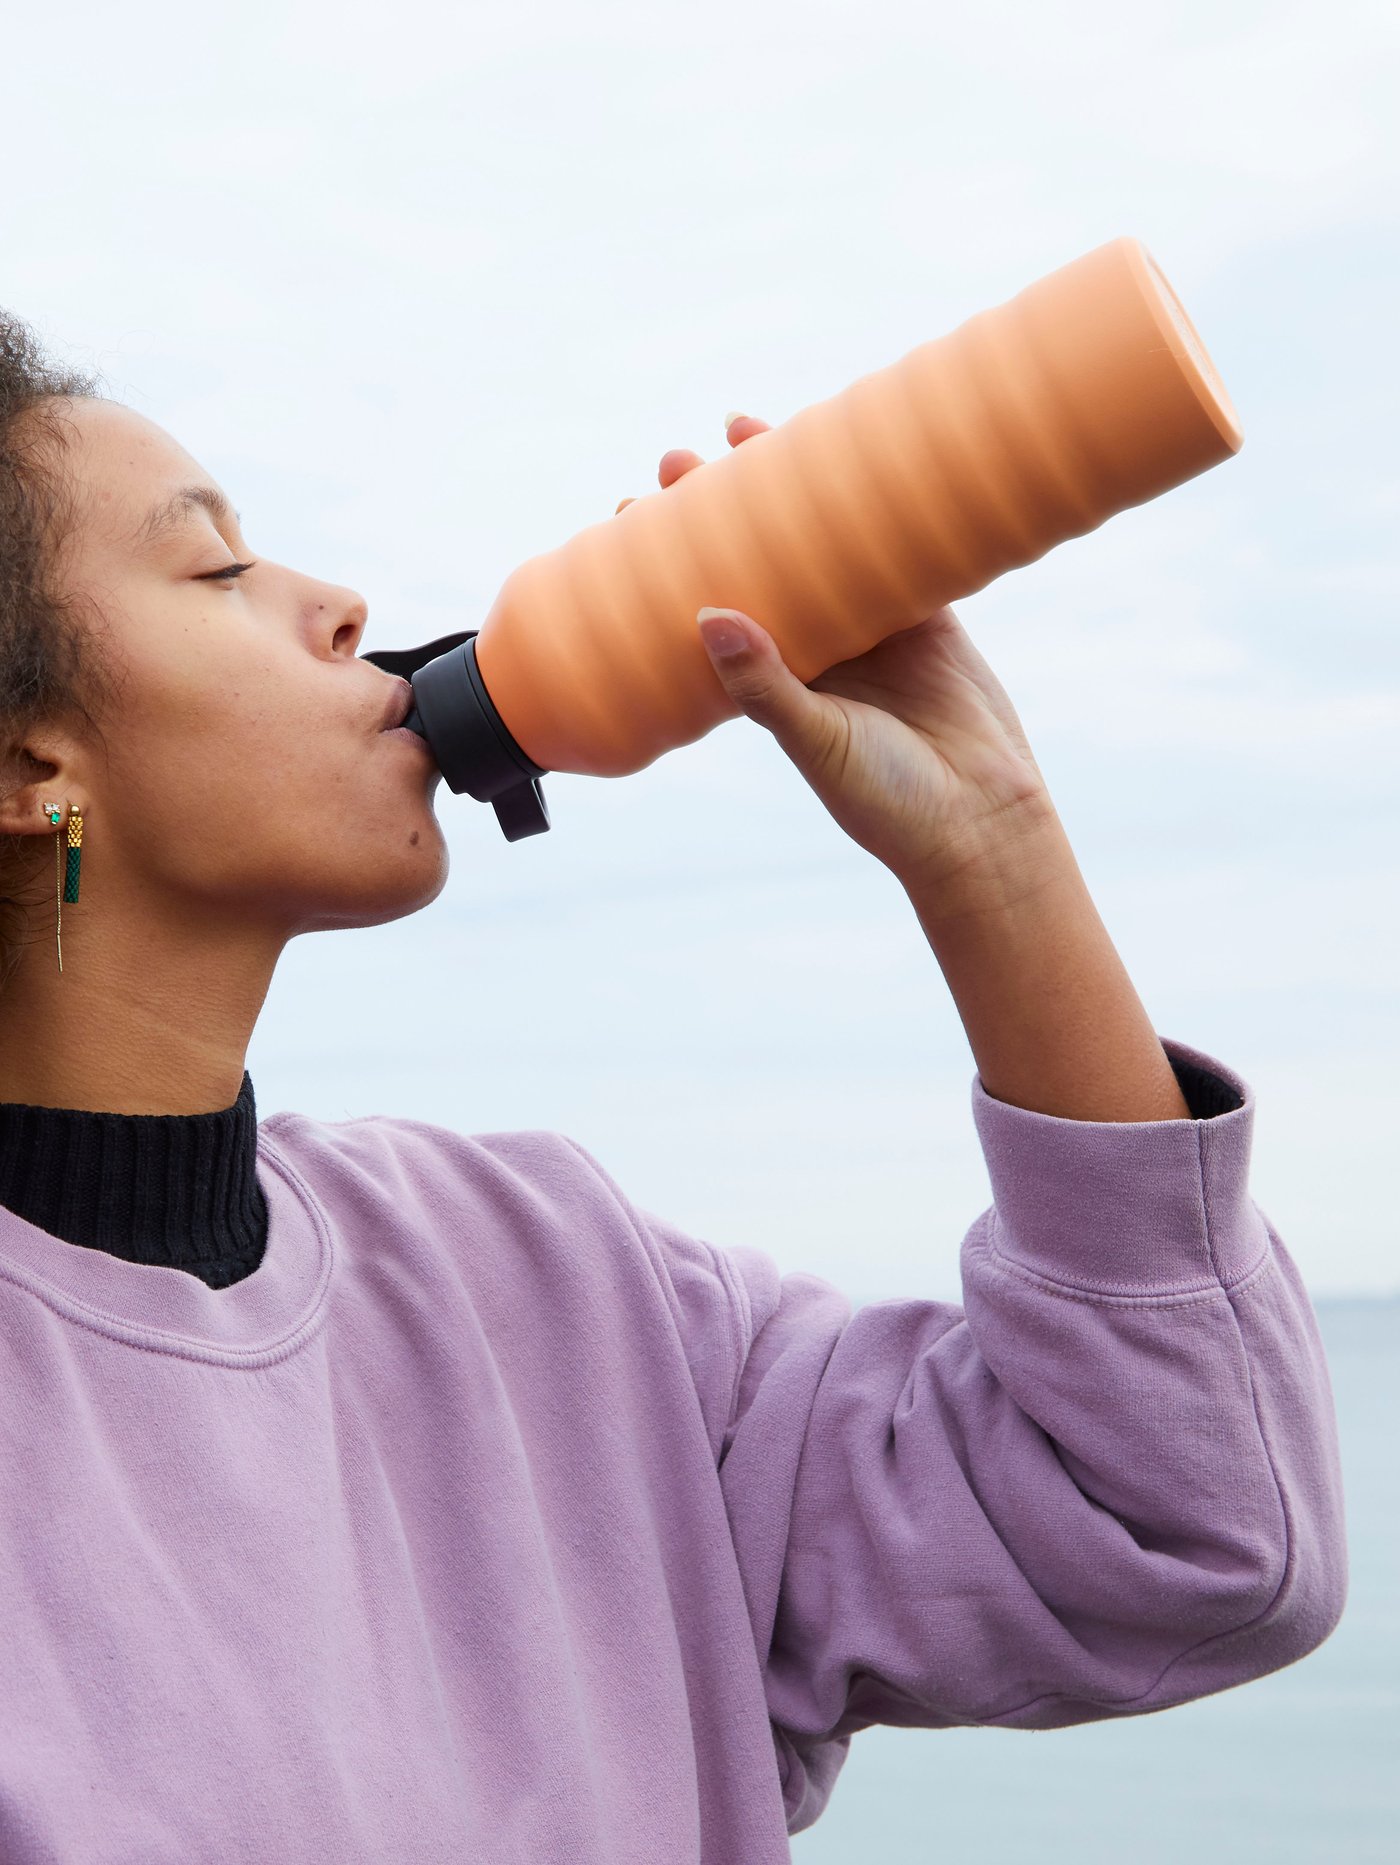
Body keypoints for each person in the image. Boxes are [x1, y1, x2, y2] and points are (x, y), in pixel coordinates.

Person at [0, 313, 1346, 1863]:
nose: (344, 605)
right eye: (219, 572)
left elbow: (1195, 1536)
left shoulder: (562, 1283)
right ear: (30, 766)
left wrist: (994, 855)